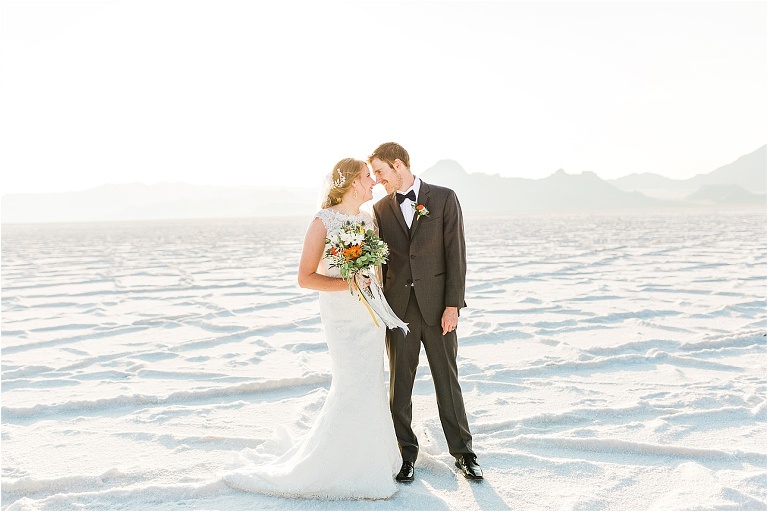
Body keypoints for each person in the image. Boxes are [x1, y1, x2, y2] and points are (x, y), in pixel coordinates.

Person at [222, 158, 401, 499]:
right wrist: (350, 283)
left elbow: (373, 268)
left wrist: (371, 289)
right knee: (351, 384)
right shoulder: (323, 222)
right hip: (342, 318)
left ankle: (373, 458)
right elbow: (305, 278)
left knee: (371, 382)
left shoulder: (366, 219)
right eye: (367, 177)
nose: (373, 183)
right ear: (350, 183)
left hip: (370, 317)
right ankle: (336, 464)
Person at [369, 142, 483, 481]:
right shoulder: (379, 209)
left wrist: (453, 305)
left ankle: (463, 453)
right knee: (399, 387)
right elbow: (382, 264)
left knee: (447, 381)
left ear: (399, 165)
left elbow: (456, 255)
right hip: (398, 312)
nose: (376, 179)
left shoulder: (445, 198)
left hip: (438, 310)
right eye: (373, 174)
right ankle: (406, 455)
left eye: (380, 172)